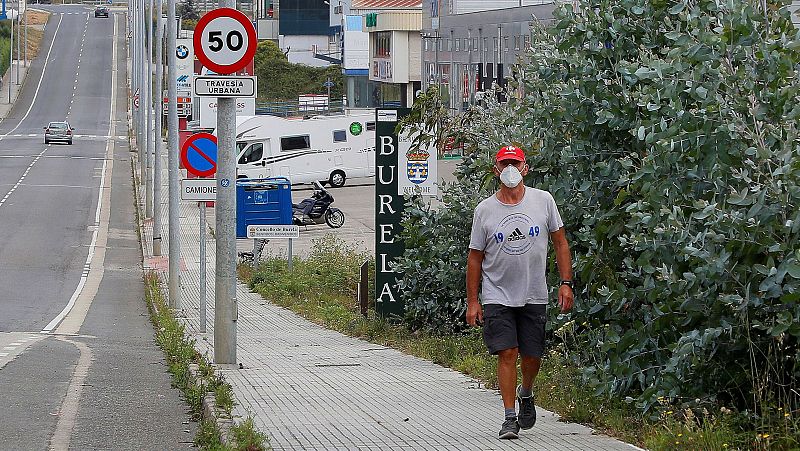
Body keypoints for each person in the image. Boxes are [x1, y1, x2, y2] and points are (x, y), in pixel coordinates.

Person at [466, 144, 575, 440]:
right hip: (497, 293)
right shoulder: (485, 210)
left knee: (531, 356)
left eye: (515, 163)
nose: (510, 169)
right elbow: (475, 257)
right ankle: (509, 417)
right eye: (505, 164)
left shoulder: (543, 201)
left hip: (534, 293)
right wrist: (473, 301)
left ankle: (525, 392)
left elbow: (560, 242)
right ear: (496, 170)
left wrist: (566, 282)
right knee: (507, 352)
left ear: (526, 168)